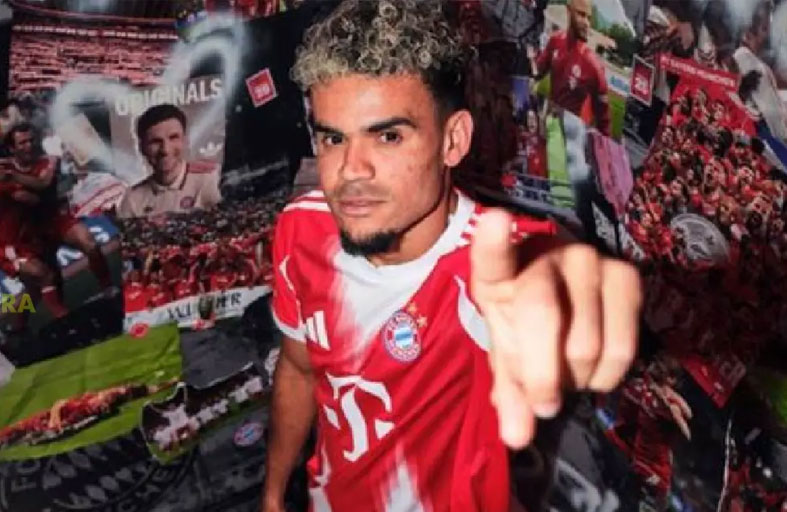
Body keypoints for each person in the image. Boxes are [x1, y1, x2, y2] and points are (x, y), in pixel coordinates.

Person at [260, 2, 642, 511]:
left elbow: (547, 272)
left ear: (453, 140)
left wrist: (571, 288)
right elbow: (299, 369)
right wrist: (272, 493)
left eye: (388, 136)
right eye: (333, 137)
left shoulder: (492, 264)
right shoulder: (301, 228)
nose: (350, 170)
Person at [0, 123, 116, 329]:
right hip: (22, 236)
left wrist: (14, 177)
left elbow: (43, 183)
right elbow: (27, 198)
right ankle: (17, 328)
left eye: (31, 140)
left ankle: (108, 288)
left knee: (89, 243)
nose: (29, 146)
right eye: (22, 143)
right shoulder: (4, 169)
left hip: (55, 220)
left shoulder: (49, 160)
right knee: (38, 286)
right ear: (12, 148)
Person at [117, 104, 221, 219]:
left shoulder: (211, 181)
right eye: (155, 141)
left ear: (185, 141)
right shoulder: (132, 200)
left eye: (173, 137)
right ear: (142, 148)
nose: (165, 150)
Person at [528, 0, 612, 136]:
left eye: (589, 18)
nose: (586, 23)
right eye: (581, 15)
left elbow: (604, 121)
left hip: (570, 134)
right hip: (547, 123)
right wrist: (530, 59)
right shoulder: (555, 41)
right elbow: (536, 73)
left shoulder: (592, 65)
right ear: (568, 11)